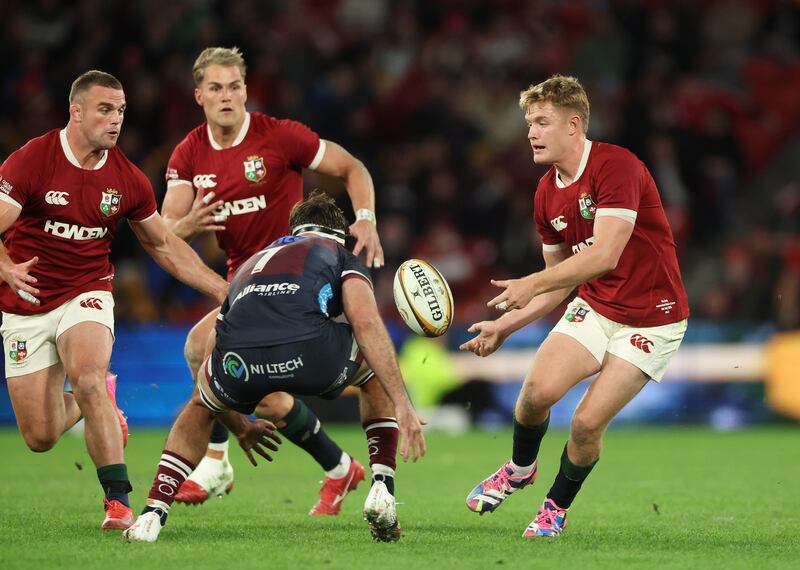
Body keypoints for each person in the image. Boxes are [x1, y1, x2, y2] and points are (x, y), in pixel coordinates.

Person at [123, 191, 425, 543]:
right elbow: (367, 323)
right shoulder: (341, 256)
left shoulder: (253, 263)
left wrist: (239, 424)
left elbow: (217, 338)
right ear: (339, 234)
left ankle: (152, 515)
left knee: (200, 406)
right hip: (310, 353)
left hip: (238, 358)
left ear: (294, 232)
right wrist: (402, 403)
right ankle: (382, 489)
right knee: (373, 371)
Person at [460, 75, 689, 538]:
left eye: (542, 122)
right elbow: (559, 284)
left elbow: (604, 254)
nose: (531, 133)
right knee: (534, 396)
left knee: (585, 423)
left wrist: (530, 282)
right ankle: (521, 468)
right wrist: (507, 326)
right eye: (529, 123)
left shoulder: (617, 166)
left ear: (573, 124)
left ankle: (554, 508)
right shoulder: (546, 193)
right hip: (597, 306)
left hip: (654, 316)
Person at [0, 70, 229, 530]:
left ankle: (119, 503)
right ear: (76, 111)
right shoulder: (32, 161)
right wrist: (5, 267)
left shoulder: (127, 178)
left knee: (86, 377)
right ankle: (103, 400)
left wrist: (225, 290)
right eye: (105, 109)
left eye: (121, 110)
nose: (116, 119)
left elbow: (163, 245)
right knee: (40, 437)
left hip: (87, 291)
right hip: (24, 299)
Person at [160, 46, 384, 514]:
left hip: (305, 279)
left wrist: (365, 218)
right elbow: (161, 234)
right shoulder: (189, 154)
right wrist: (188, 226)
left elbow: (352, 167)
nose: (227, 96)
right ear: (199, 95)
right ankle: (341, 469)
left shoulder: (279, 137)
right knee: (269, 398)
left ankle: (220, 459)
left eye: (235, 86)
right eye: (216, 88)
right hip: (246, 287)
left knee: (204, 352)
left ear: (246, 90)